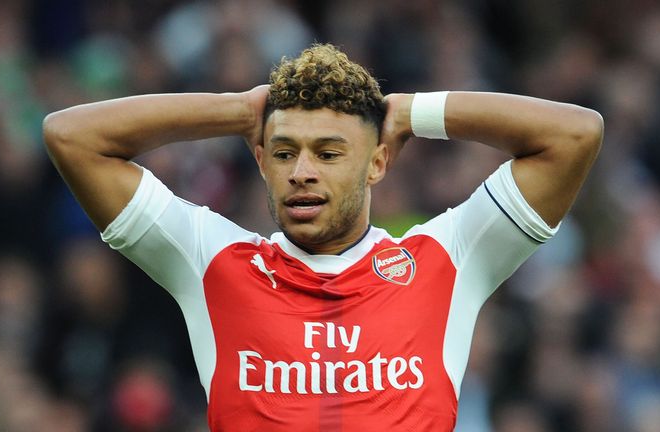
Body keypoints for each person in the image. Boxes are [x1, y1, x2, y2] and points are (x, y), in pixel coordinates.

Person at [43, 43, 603, 431]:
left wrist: (414, 111)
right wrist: (238, 110)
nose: (301, 171)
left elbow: (574, 134)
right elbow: (70, 137)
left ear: (378, 161)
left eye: (330, 153)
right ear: (261, 161)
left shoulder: (449, 258)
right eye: (284, 152)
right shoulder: (211, 262)